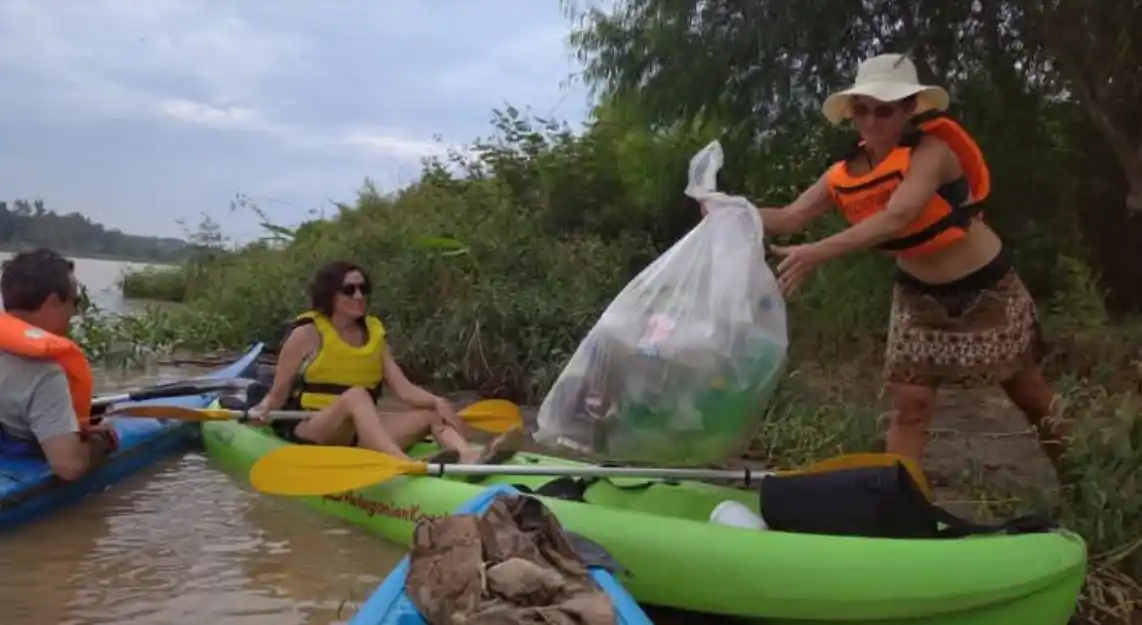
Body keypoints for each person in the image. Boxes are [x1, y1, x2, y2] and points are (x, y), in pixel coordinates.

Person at [743, 53, 1068, 475]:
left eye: (885, 110)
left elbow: (898, 215)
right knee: (909, 405)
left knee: (1029, 392)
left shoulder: (932, 153)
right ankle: (902, 509)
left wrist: (816, 253)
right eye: (862, 109)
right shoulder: (843, 171)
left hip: (986, 287)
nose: (872, 120)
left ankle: (1082, 482)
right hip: (919, 298)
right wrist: (732, 210)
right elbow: (788, 217)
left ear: (909, 109)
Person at [250, 260, 518, 465]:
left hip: (360, 431)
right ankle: (402, 464)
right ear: (330, 294)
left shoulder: (374, 335)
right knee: (356, 395)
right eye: (349, 289)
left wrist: (437, 401)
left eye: (363, 289)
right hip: (315, 427)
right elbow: (277, 395)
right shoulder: (306, 334)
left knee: (430, 413)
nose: (359, 296)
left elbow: (403, 389)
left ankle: (469, 457)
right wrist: (262, 410)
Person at [0, 248, 119, 480]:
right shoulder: (46, 373)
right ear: (54, 303)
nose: (74, 312)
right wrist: (100, 441)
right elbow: (68, 466)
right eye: (74, 302)